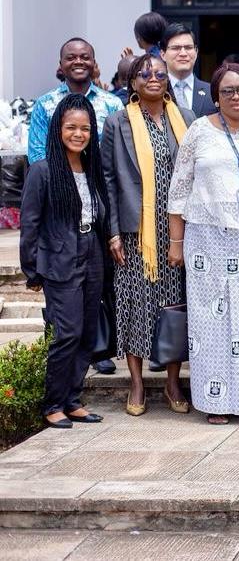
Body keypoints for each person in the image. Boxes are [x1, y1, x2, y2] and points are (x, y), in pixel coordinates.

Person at [167, 63, 239, 425]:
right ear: (215, 96)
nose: (236, 97)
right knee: (210, 319)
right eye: (228, 91)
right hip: (206, 237)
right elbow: (179, 190)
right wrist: (175, 242)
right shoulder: (199, 132)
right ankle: (215, 402)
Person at [102, 54, 196, 415]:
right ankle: (137, 382)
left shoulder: (186, 119)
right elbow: (109, 179)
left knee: (173, 305)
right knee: (134, 304)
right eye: (144, 73)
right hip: (134, 230)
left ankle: (173, 381)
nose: (153, 77)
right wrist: (112, 232)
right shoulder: (119, 121)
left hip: (178, 229)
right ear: (133, 82)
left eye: (159, 72)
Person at [20, 94, 109, 429]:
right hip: (59, 259)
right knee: (67, 333)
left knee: (87, 332)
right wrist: (32, 270)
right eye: (71, 127)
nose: (78, 134)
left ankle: (72, 400)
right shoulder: (43, 171)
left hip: (92, 253)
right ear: (58, 129)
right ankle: (53, 403)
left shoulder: (91, 167)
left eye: (85, 128)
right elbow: (30, 224)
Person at [28, 39, 125, 164]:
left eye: (85, 57)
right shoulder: (44, 104)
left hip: (101, 180)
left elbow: (120, 152)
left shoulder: (113, 103)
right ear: (61, 64)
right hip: (56, 180)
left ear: (94, 63)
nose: (78, 62)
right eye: (71, 58)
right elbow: (37, 155)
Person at [160, 24, 216, 117]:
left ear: (196, 52)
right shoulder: (155, 91)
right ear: (163, 54)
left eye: (188, 48)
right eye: (176, 48)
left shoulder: (212, 92)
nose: (183, 53)